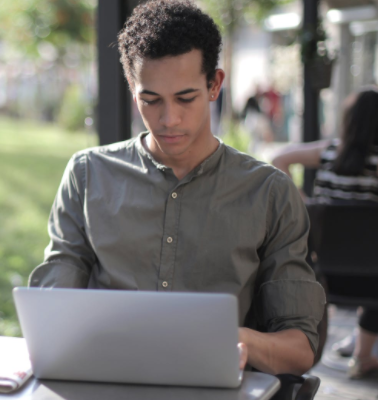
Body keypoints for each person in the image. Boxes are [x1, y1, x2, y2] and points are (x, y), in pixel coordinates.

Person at [30, 0, 325, 376]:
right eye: (150, 100)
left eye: (186, 98)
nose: (169, 120)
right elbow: (52, 313)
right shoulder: (88, 175)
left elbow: (299, 349)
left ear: (214, 84)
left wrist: (231, 339)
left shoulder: (269, 193)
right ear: (132, 89)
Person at [272, 87, 378, 379]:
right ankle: (363, 355)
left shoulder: (330, 152)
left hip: (325, 274)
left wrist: (305, 205)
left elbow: (279, 158)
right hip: (373, 279)